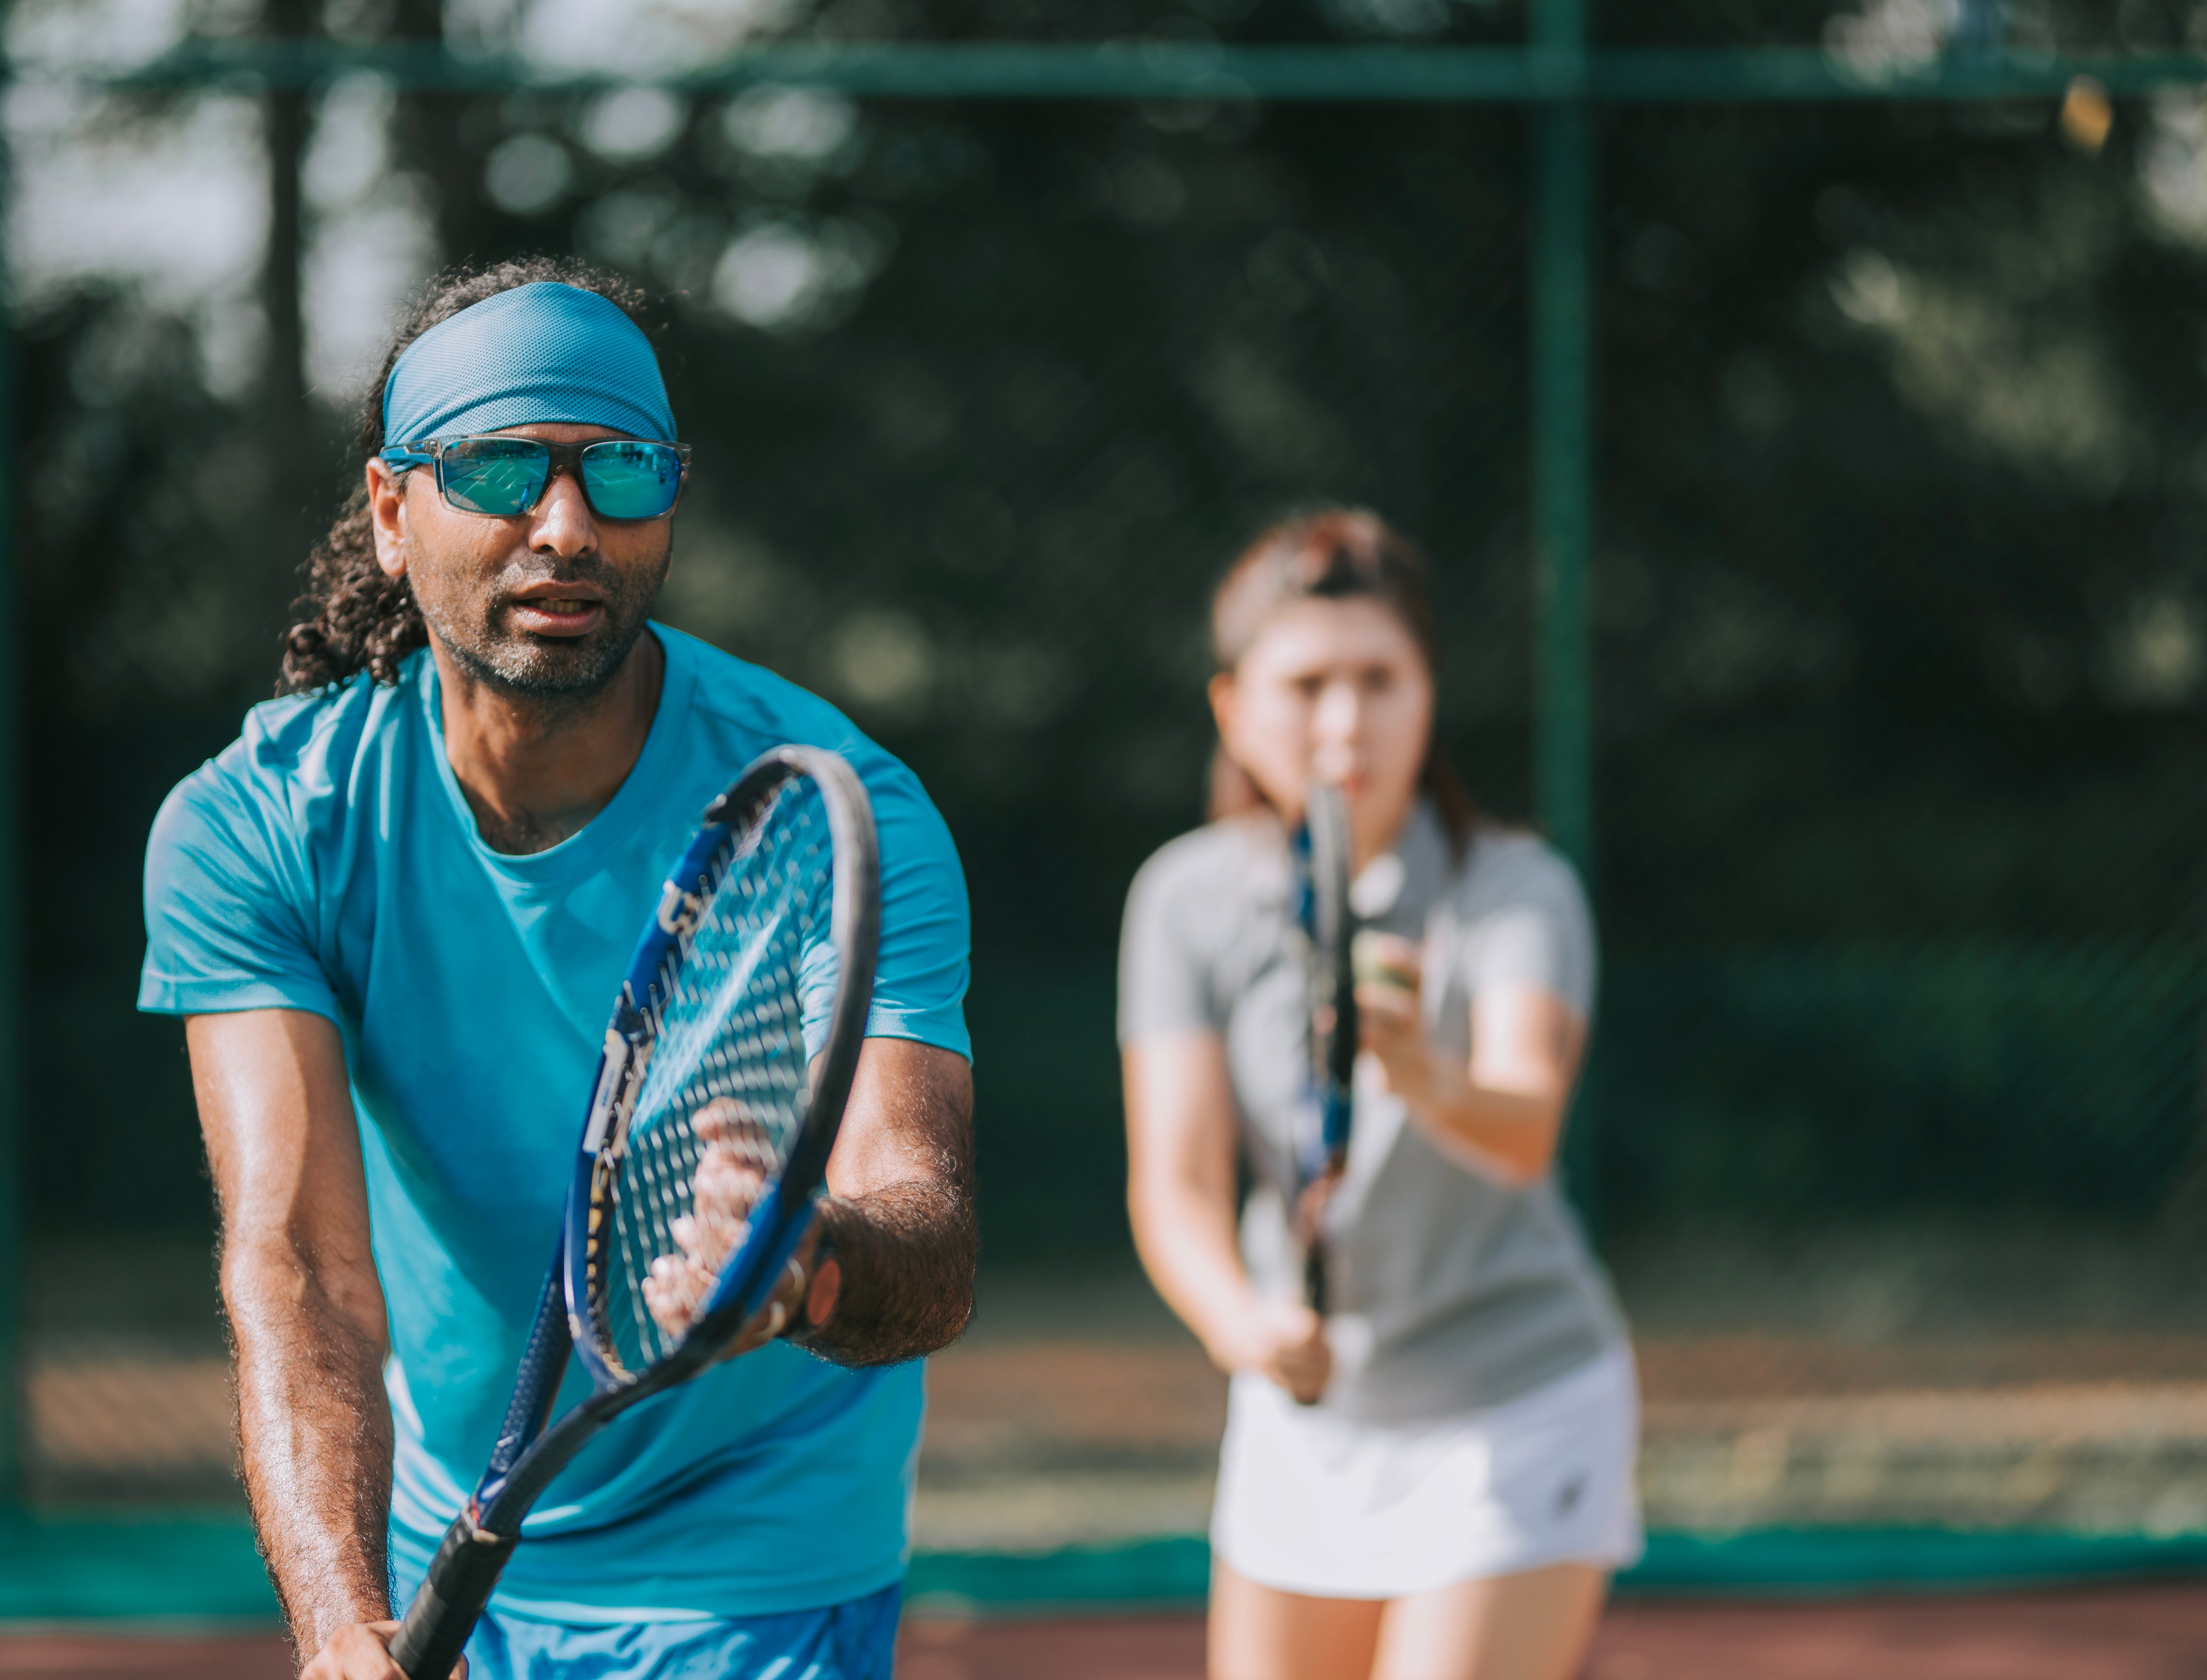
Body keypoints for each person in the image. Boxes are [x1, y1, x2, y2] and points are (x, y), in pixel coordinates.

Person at [139, 256, 976, 1680]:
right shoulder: (260, 823)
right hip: (445, 1542)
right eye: (504, 468)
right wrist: (342, 1626)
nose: (568, 526)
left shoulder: (846, 808)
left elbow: (929, 1228)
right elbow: (298, 1261)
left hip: (759, 1562)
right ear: (395, 514)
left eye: (622, 471)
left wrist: (815, 1268)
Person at [1119, 509, 1636, 1680]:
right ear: (1233, 710)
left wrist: (1420, 1072)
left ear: (1429, 694)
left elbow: (1522, 1127)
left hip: (1517, 1407)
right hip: (1303, 1421)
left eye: (1380, 680)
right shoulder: (1182, 903)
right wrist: (1243, 1326)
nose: (1346, 721)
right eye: (1306, 685)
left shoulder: (1515, 892)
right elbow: (1177, 1185)